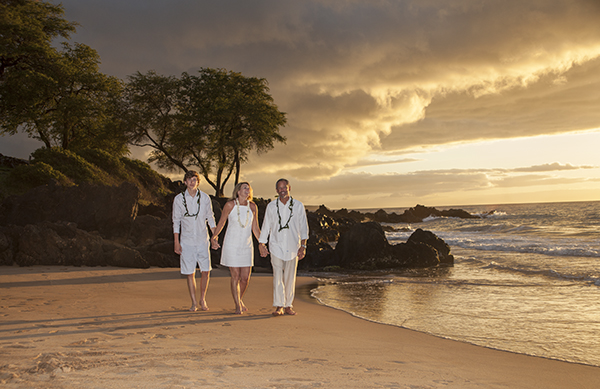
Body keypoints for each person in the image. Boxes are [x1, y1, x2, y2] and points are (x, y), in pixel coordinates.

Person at [258, 178, 309, 316]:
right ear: (276, 190)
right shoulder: (271, 206)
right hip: (276, 246)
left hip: (293, 246)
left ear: (289, 188)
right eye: (279, 188)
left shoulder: (298, 206)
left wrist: (303, 246)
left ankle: (288, 305)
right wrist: (261, 244)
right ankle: (279, 305)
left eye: (284, 187)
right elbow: (266, 226)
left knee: (290, 277)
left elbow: (303, 227)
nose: (282, 190)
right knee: (277, 277)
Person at [211, 182, 261, 314]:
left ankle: (239, 299)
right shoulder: (230, 205)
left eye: (249, 188)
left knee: (245, 277)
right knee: (235, 275)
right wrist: (214, 237)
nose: (247, 190)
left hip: (247, 245)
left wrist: (262, 243)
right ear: (238, 191)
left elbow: (255, 228)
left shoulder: (253, 206)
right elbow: (221, 223)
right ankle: (237, 304)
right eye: (244, 188)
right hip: (232, 244)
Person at [173, 170, 216, 312]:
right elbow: (176, 221)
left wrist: (215, 237)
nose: (192, 182)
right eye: (189, 179)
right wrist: (176, 241)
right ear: (185, 182)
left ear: (198, 182)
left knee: (205, 271)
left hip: (203, 240)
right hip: (186, 241)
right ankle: (193, 302)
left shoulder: (204, 198)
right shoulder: (179, 199)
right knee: (190, 272)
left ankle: (202, 299)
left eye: (195, 180)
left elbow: (210, 217)